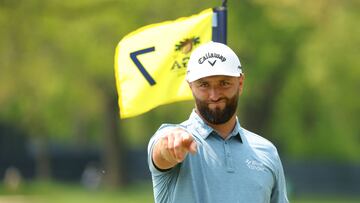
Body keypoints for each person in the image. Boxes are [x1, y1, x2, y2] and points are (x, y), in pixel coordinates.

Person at [147, 41, 289, 203]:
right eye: (204, 85)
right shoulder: (174, 137)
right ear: (191, 86)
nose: (214, 95)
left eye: (224, 83)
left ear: (240, 83)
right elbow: (162, 153)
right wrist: (170, 146)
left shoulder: (267, 152)